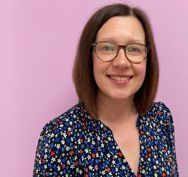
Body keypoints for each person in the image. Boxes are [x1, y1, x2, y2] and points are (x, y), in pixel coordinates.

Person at [33, 3, 179, 177]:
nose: (121, 62)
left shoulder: (160, 118)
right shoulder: (59, 136)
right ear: (89, 57)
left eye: (134, 49)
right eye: (107, 48)